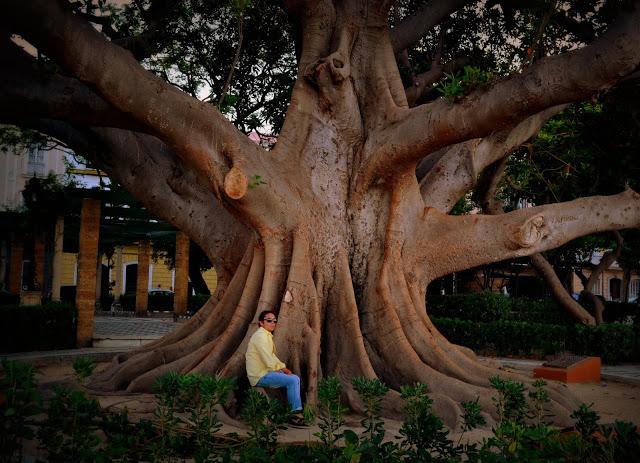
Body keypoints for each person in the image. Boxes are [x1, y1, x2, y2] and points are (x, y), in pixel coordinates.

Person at [245, 310, 305, 425]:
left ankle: (295, 412)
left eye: (274, 321)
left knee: (295, 378)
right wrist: (281, 369)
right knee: (293, 380)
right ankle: (295, 415)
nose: (273, 323)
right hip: (259, 375)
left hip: (265, 371)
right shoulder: (260, 336)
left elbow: (271, 356)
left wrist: (283, 368)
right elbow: (267, 358)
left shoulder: (266, 335)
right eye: (269, 320)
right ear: (261, 323)